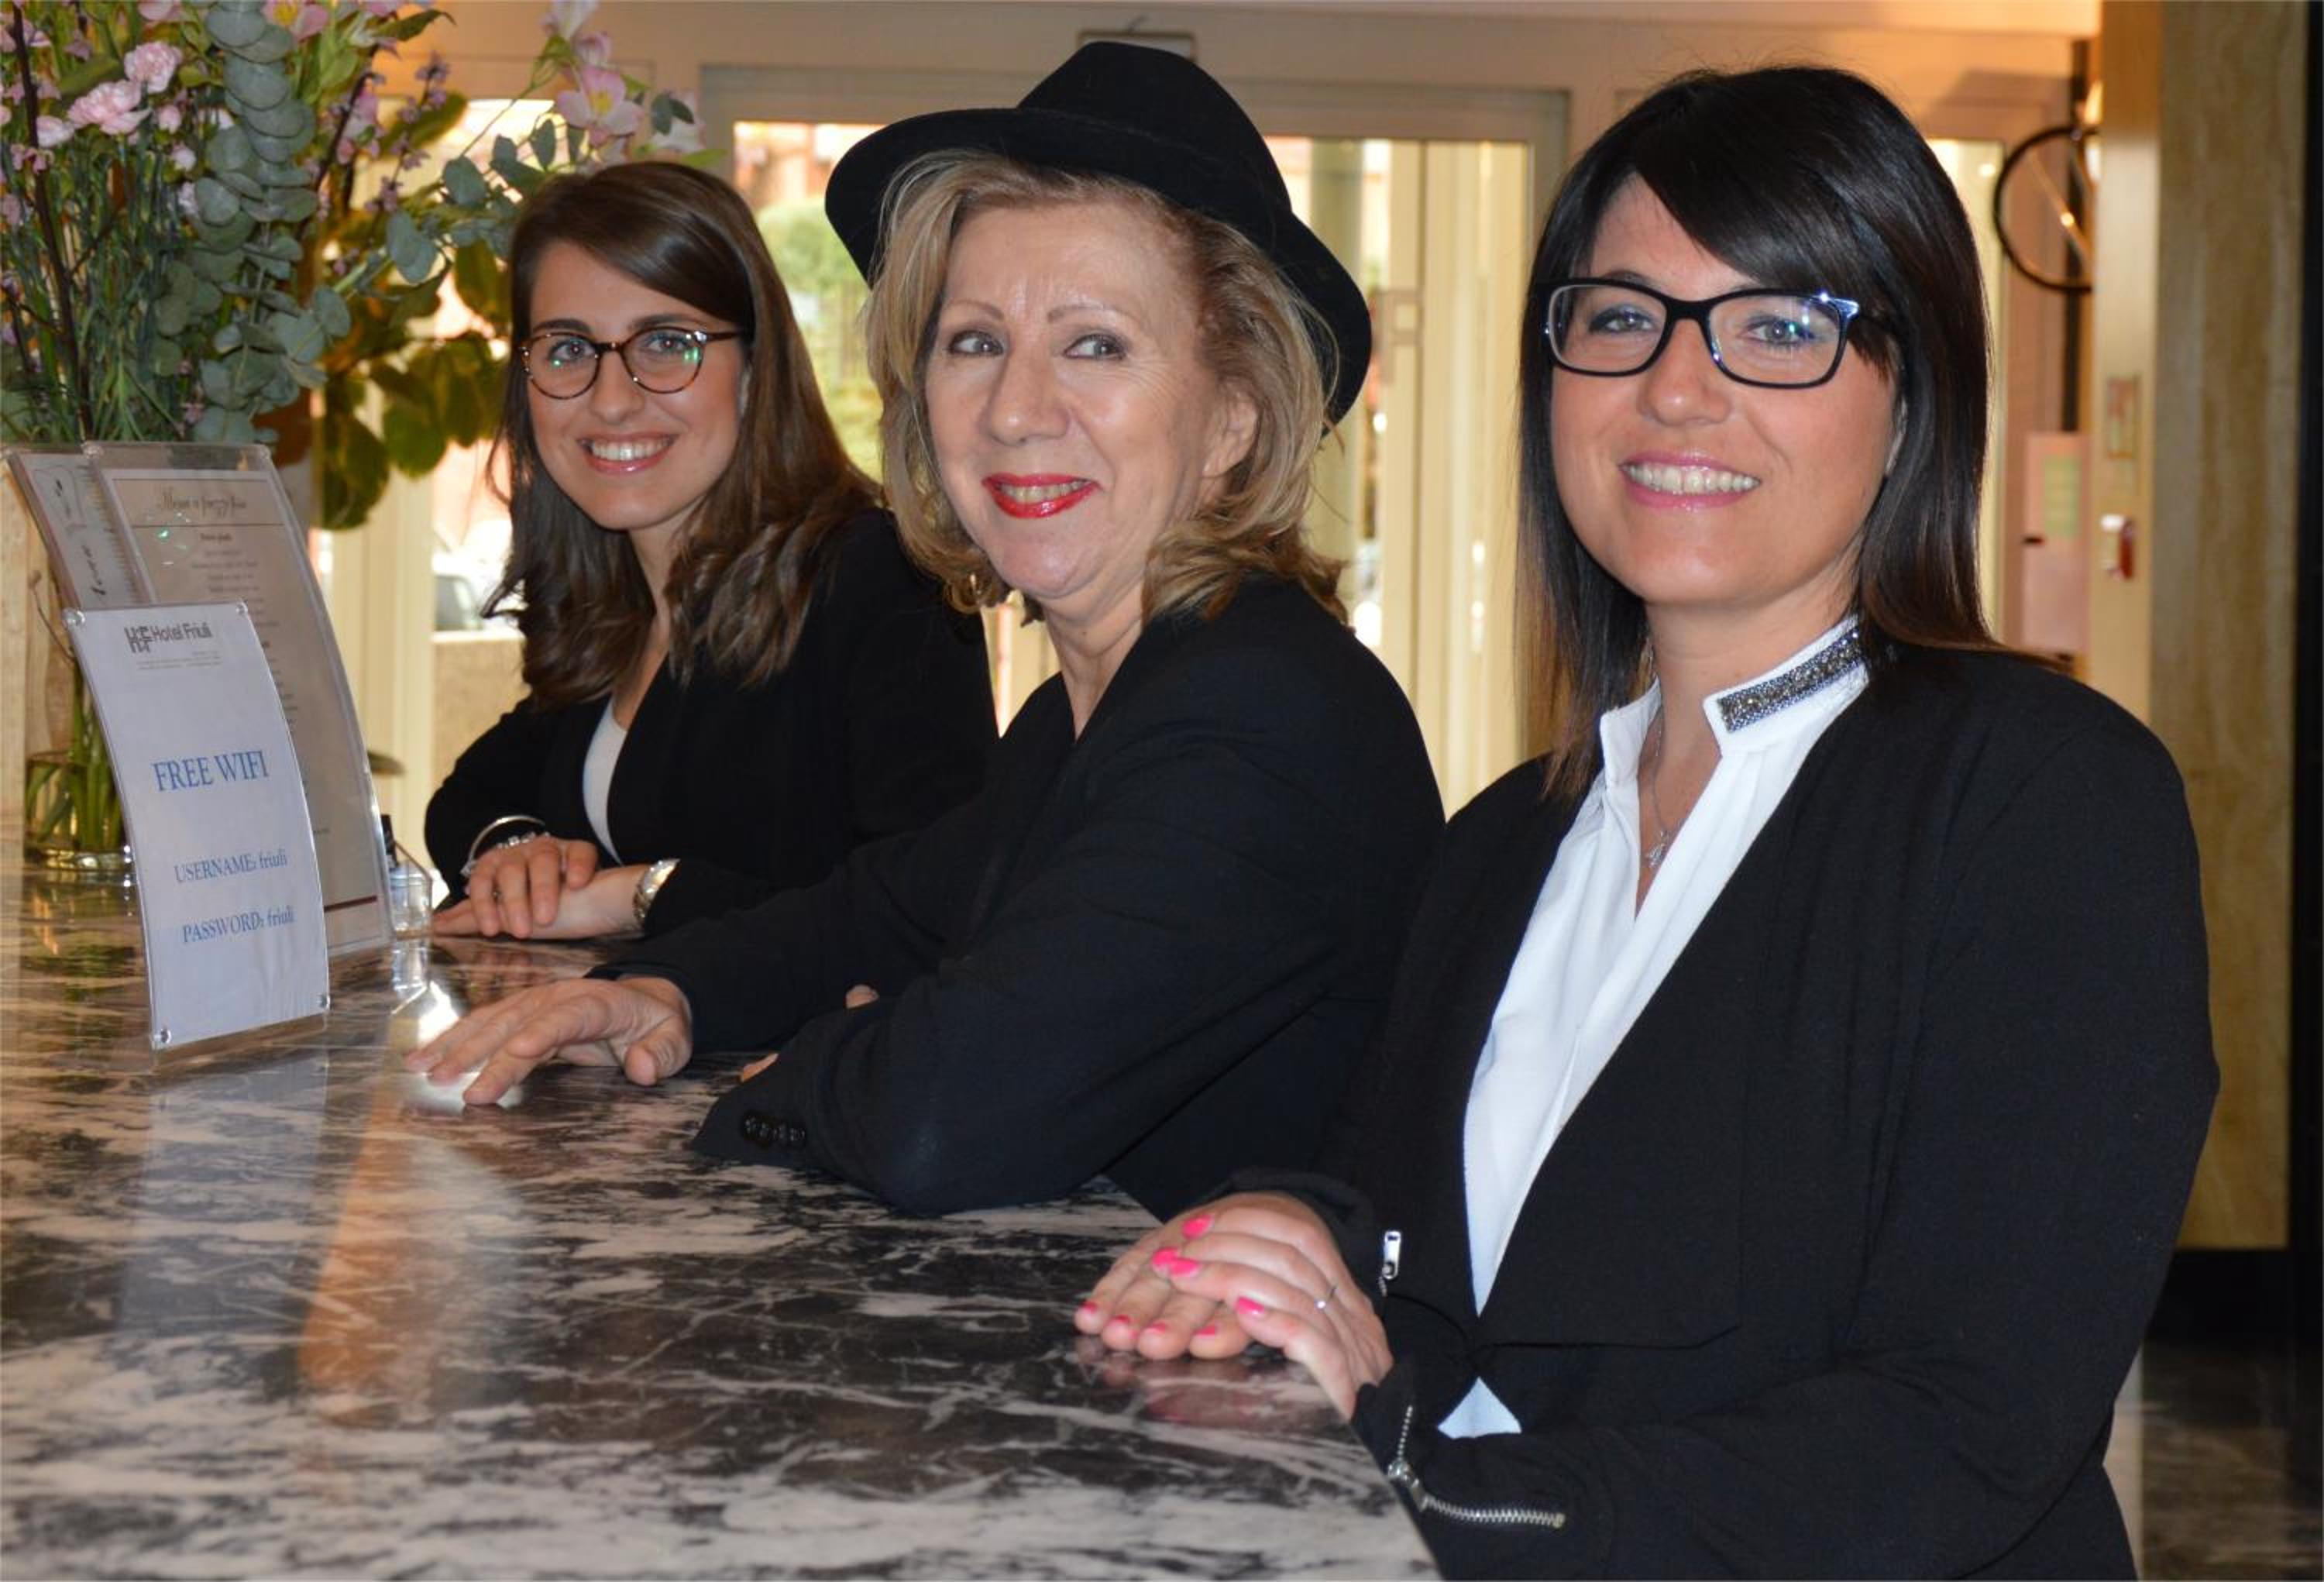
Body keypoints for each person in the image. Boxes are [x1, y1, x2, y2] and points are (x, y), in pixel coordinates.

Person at [1081, 65, 2216, 1577]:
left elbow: (1965, 1426)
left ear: (1913, 399)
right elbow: (1421, 1246)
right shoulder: (1505, 838)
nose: (1677, 387)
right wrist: (1284, 1244)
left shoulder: (2045, 800)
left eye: (1780, 327)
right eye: (1620, 318)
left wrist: (1434, 1485)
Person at [407, 44, 1444, 1219]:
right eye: (975, 342)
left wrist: (826, 1061)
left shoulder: (1264, 715)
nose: (1014, 409)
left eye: (1095, 344)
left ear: (1235, 420)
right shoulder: (1084, 710)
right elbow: (871, 915)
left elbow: (946, 1116)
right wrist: (661, 992)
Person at [423, 161, 995, 941]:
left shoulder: (879, 579)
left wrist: (645, 894)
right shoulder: (616, 609)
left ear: (755, 367)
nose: (611, 398)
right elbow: (467, 797)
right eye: (567, 349)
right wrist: (516, 847)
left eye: (667, 343)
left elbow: (928, 905)